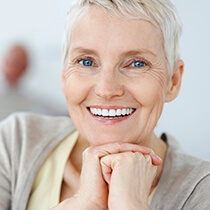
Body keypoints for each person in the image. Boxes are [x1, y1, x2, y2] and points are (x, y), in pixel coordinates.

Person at [0, 0, 210, 209]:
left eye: (137, 63)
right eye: (86, 62)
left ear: (173, 81)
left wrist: (131, 206)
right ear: (64, 77)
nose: (106, 90)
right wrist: (84, 203)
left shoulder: (203, 191)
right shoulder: (17, 141)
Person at [0, 45, 67, 120]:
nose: (14, 68)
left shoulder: (29, 99)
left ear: (25, 68)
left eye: (21, 64)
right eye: (13, 62)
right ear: (5, 61)